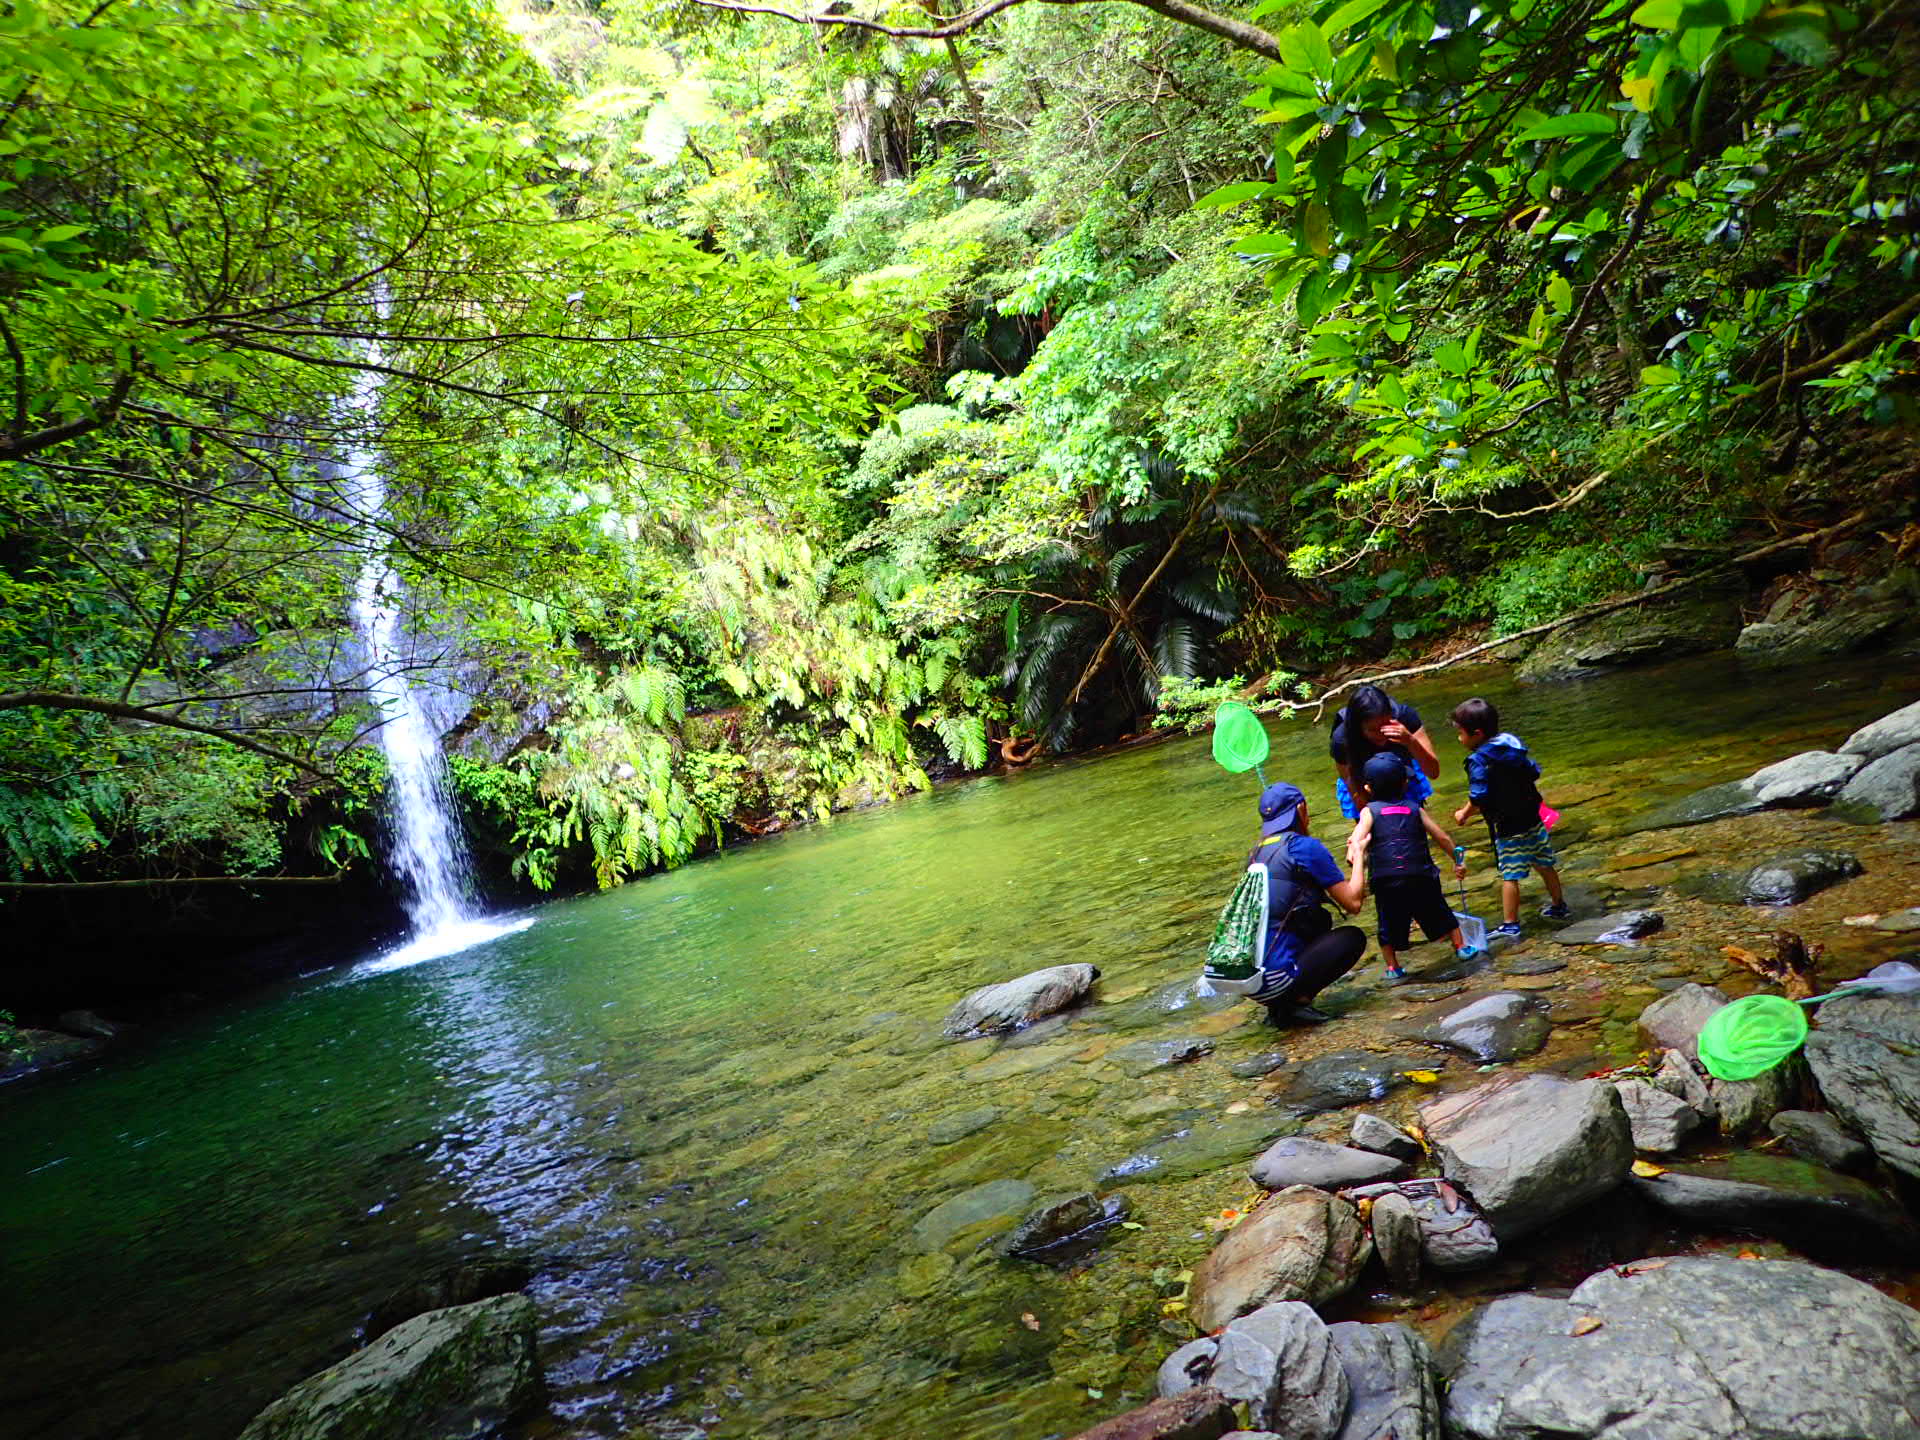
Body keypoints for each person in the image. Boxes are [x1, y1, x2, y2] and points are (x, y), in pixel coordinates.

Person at [1244, 780, 1370, 1026]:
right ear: (1301, 809)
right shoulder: (1303, 847)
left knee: (1318, 919)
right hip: (1275, 980)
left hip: (1251, 981)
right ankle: (1294, 1002)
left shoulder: (1255, 854)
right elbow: (1354, 903)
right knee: (1352, 938)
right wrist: (1359, 856)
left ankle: (1279, 1005)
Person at [1344, 754, 1477, 980]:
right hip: (1421, 874)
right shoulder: (1414, 808)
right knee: (1440, 910)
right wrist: (1458, 861)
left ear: (1368, 788)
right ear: (1405, 783)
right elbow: (1442, 837)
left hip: (1386, 879)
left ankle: (1393, 967)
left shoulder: (1369, 811)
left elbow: (1357, 838)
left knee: (1387, 921)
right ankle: (1461, 947)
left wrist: (1354, 855)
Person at [1450, 696, 1570, 940]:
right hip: (1533, 818)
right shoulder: (1512, 745)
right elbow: (1533, 771)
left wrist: (1463, 813)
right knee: (1544, 864)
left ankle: (1510, 924)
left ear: (1477, 734)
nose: (1459, 739)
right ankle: (1559, 905)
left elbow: (1479, 796)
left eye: (1460, 733)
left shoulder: (1478, 760)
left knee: (1509, 874)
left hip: (1507, 826)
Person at [1329, 683, 1441, 822]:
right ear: (1359, 727)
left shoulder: (1405, 717)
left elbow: (1433, 772)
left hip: (1402, 776)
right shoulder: (1342, 739)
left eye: (1385, 726)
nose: (1380, 734)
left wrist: (1410, 741)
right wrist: (1372, 823)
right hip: (1364, 783)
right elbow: (1355, 789)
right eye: (1372, 730)